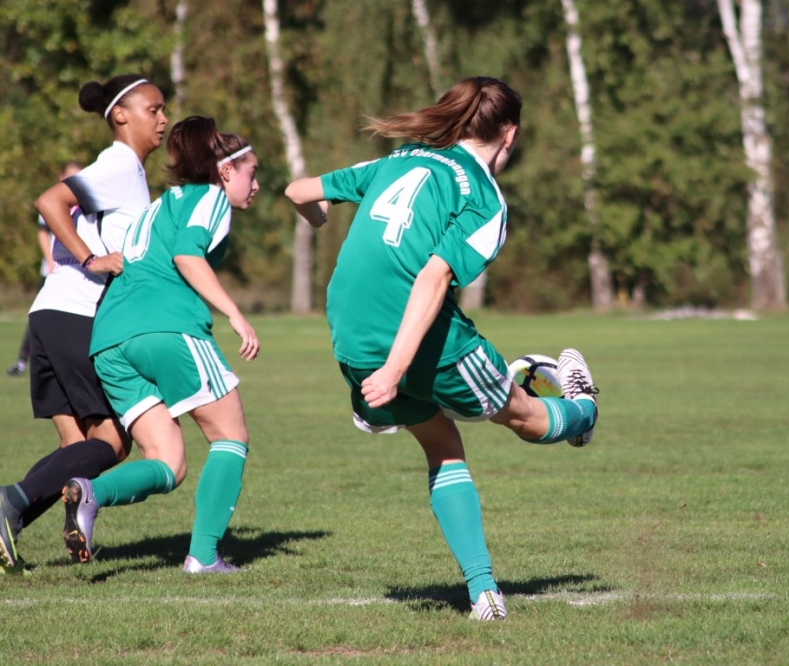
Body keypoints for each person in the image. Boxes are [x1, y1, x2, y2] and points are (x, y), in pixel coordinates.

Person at [284, 77, 600, 620]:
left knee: (443, 447)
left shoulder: (402, 158)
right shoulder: (484, 197)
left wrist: (319, 217)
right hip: (419, 344)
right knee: (522, 417)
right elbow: (432, 278)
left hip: (350, 335)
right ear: (510, 135)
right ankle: (584, 408)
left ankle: (485, 596)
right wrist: (397, 367)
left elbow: (297, 191)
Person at [61, 116, 260, 574]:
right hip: (167, 329)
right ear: (225, 170)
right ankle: (204, 557)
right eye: (251, 172)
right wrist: (234, 313)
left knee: (168, 461)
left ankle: (90, 492)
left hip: (110, 340)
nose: (256, 184)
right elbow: (187, 256)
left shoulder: (156, 206)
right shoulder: (210, 196)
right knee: (230, 436)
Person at [0, 75, 167, 574]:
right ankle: (8, 502)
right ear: (121, 116)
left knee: (78, 448)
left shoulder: (129, 173)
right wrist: (91, 258)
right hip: (76, 314)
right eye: (153, 109)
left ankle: (9, 521)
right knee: (114, 440)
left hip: (51, 311)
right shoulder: (119, 166)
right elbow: (49, 203)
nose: (163, 119)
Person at [6, 162, 82, 377]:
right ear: (61, 177)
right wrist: (50, 261)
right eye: (70, 177)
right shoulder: (54, 200)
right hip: (53, 271)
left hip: (74, 272)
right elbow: (42, 233)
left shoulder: (84, 203)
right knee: (39, 317)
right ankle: (23, 360)